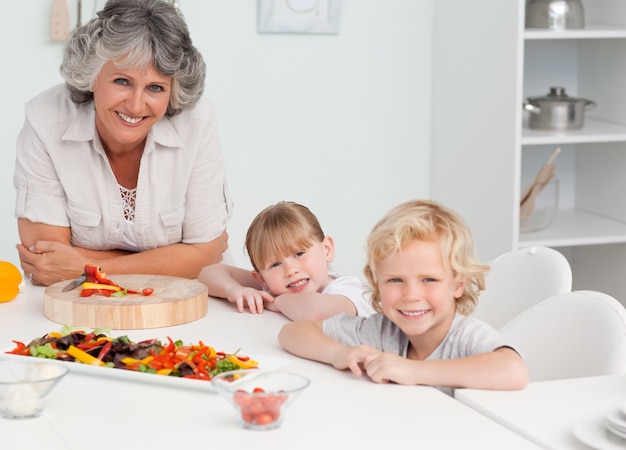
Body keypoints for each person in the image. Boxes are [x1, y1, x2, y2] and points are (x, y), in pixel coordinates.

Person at [13, 0, 232, 286]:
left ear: (173, 89)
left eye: (155, 87)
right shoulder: (45, 119)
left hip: (183, 300)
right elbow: (47, 262)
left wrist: (85, 266)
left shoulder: (197, 122)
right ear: (92, 75)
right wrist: (177, 259)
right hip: (77, 304)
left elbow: (207, 254)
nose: (135, 104)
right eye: (122, 81)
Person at [278, 199, 528, 396]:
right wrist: (338, 354)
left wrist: (413, 371)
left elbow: (513, 370)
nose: (411, 296)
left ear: (458, 284)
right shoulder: (381, 332)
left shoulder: (466, 337)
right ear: (378, 284)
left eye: (429, 280)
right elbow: (293, 333)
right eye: (395, 280)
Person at [198, 201, 375, 321]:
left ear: (326, 250)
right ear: (261, 279)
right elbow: (208, 273)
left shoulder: (349, 290)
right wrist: (234, 290)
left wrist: (275, 302)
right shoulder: (276, 286)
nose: (290, 270)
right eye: (275, 264)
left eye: (299, 254)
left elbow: (315, 311)